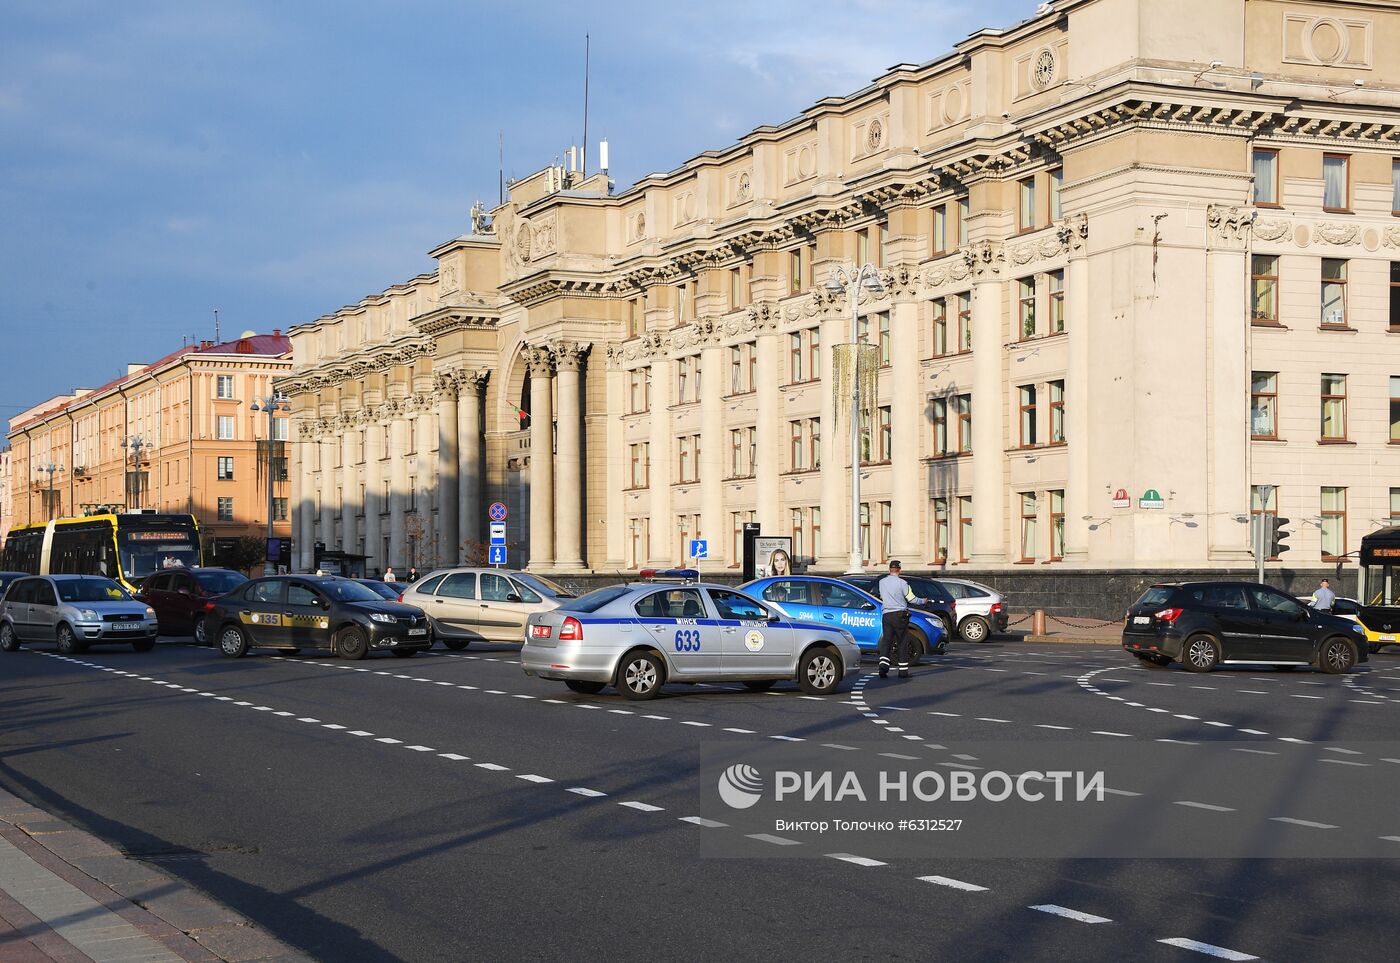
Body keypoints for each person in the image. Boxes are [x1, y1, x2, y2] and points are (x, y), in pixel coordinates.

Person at [877, 559, 930, 679]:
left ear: (889, 569)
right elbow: (911, 599)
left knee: (887, 641)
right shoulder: (903, 583)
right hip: (900, 615)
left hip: (887, 615)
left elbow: (882, 596)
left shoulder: (882, 582)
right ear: (900, 570)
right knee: (902, 641)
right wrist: (923, 601)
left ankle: (883, 667)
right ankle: (903, 671)